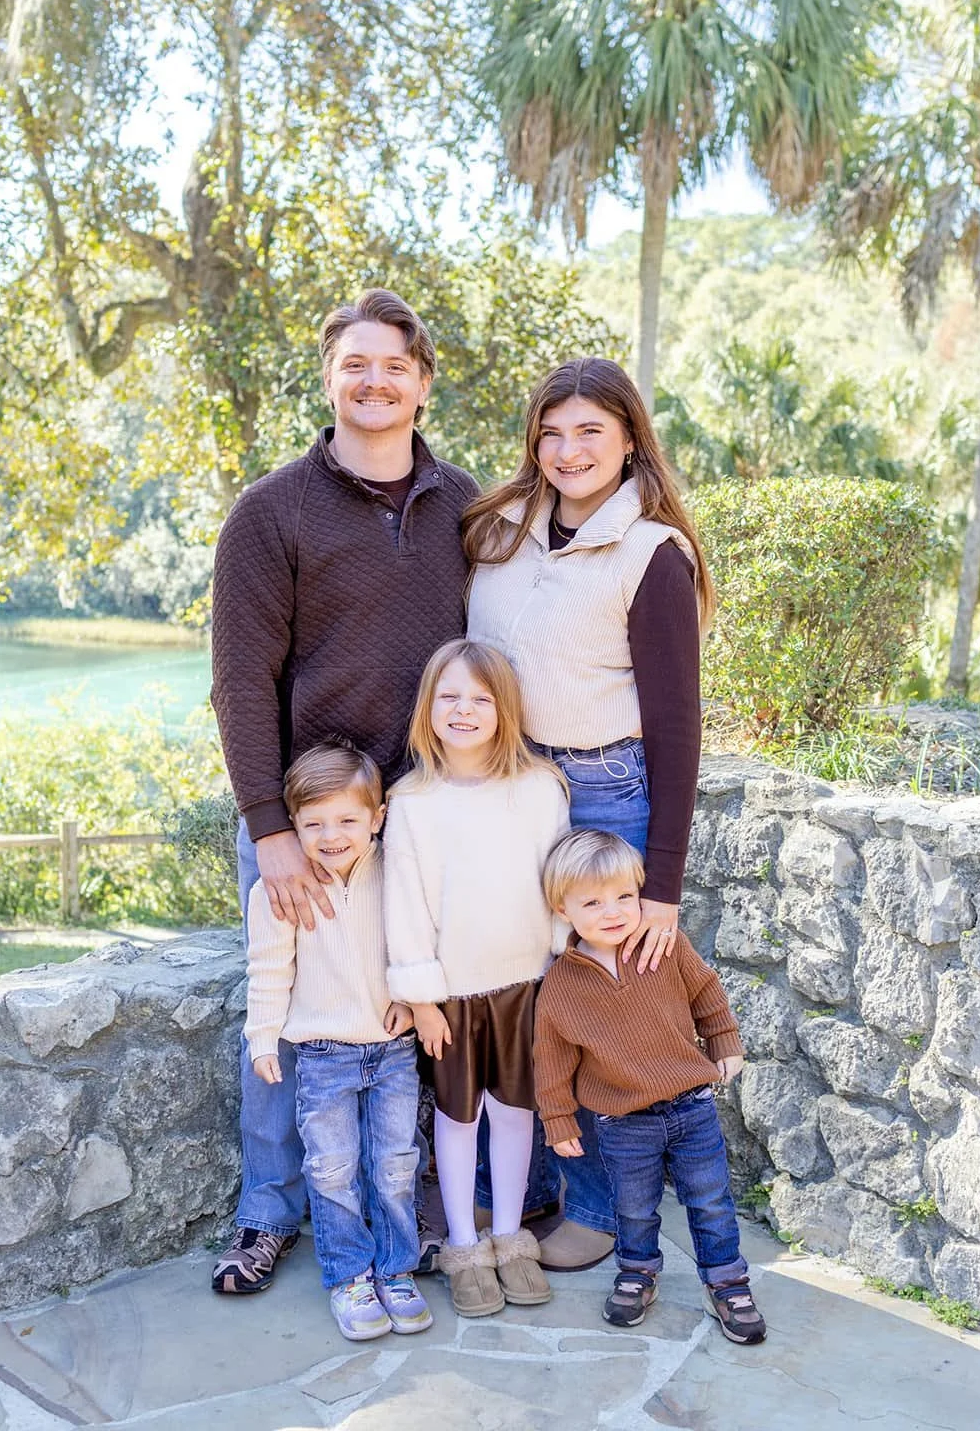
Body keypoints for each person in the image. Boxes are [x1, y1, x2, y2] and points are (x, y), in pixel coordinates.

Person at [211, 288, 479, 1295]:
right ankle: (267, 1215)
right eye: (354, 364)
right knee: (286, 1020)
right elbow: (239, 681)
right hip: (309, 822)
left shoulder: (464, 503)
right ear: (328, 377)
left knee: (407, 1010)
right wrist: (269, 828)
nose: (374, 380)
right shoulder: (270, 511)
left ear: (421, 380)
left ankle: (401, 1214)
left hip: (415, 821)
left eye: (393, 365)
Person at [465, 356, 715, 1271]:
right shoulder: (496, 528)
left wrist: (662, 885)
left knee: (596, 1005)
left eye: (591, 433)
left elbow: (677, 725)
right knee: (508, 990)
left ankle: (601, 1209)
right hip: (504, 784)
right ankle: (518, 1189)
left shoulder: (652, 554)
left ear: (628, 442)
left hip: (604, 793)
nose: (568, 450)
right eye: (552, 431)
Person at [383, 639, 571, 1318]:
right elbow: (402, 903)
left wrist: (556, 963)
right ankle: (464, 1247)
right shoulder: (411, 801)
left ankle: (507, 1236)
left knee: (516, 1115)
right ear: (428, 708)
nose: (463, 711)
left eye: (480, 700)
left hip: (525, 985)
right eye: (449, 697)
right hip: (452, 998)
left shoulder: (539, 788)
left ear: (504, 710)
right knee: (458, 1121)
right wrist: (421, 998)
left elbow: (557, 881)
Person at [535, 830, 765, 1343]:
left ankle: (727, 1280)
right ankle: (637, 1272)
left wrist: (724, 1040)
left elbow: (705, 989)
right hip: (622, 1122)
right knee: (634, 1206)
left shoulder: (663, 946)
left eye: (624, 896)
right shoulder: (562, 986)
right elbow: (550, 1059)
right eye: (592, 902)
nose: (613, 911)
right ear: (562, 908)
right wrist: (557, 1120)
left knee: (709, 1200)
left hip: (691, 1107)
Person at [245, 740, 432, 1341]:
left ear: (376, 819)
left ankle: (397, 1269)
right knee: (332, 1169)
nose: (333, 834)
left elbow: (420, 941)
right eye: (314, 822)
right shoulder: (280, 892)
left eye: (349, 819)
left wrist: (414, 995)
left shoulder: (397, 873)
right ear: (291, 826)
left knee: (397, 1164)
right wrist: (263, 1039)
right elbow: (269, 970)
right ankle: (350, 1275)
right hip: (323, 1055)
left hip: (394, 1047)